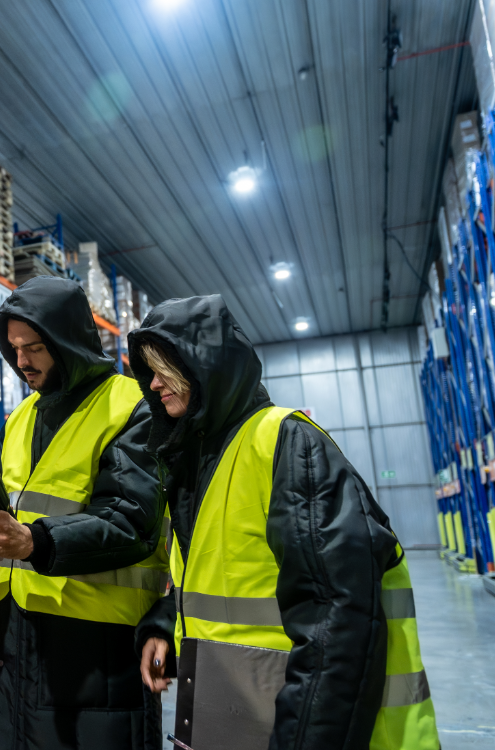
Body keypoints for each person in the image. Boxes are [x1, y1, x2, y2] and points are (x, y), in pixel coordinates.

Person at [128, 295, 440, 750]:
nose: (153, 384)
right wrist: (164, 626)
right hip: (235, 720)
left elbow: (337, 619)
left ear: (203, 366)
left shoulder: (285, 444)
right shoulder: (193, 464)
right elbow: (216, 578)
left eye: (163, 368)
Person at [0, 276, 168, 750]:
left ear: (69, 342)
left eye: (34, 347)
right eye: (13, 347)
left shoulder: (130, 404)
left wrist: (35, 540)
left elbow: (129, 521)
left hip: (95, 654)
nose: (21, 362)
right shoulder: (21, 417)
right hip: (11, 643)